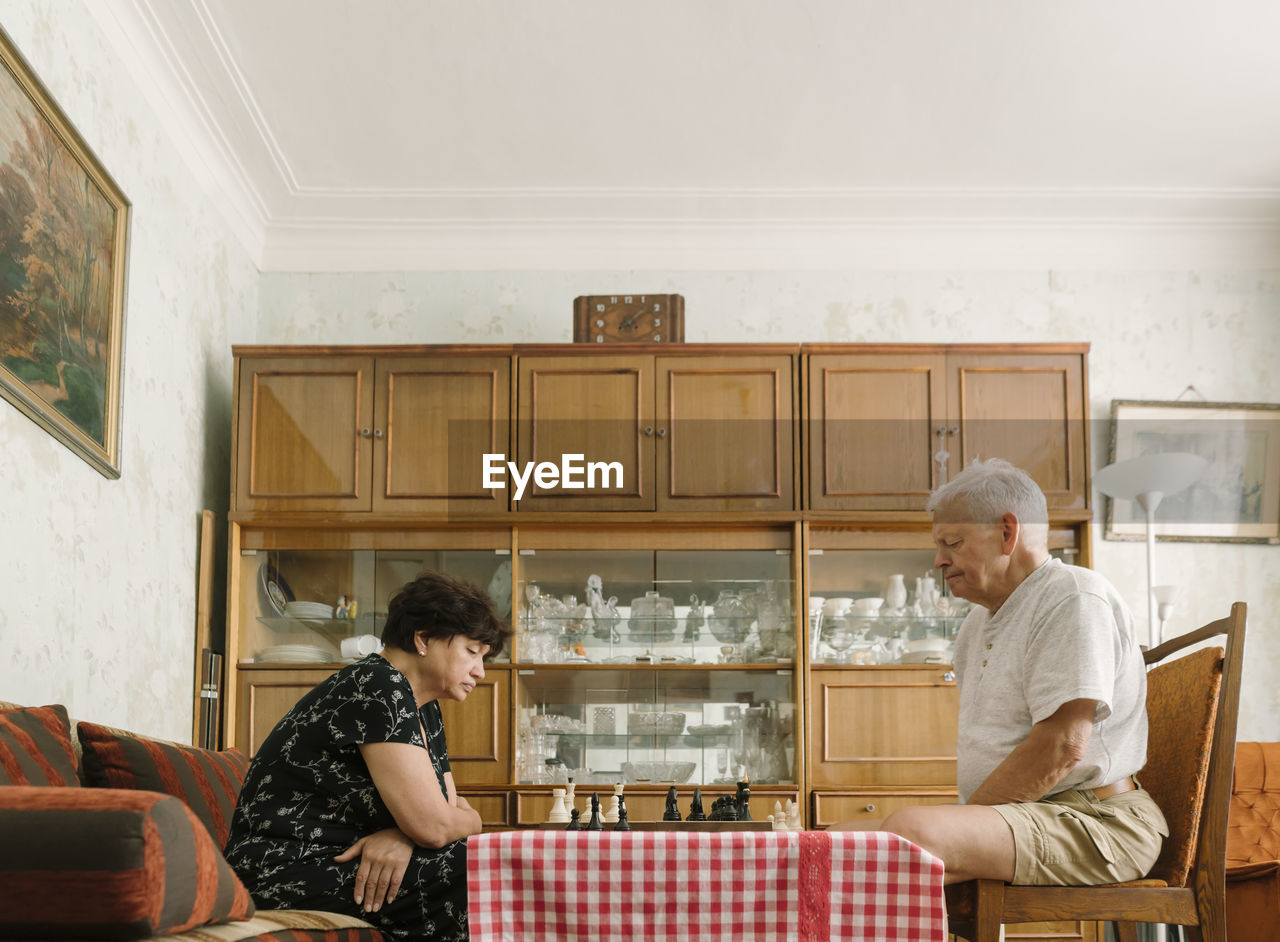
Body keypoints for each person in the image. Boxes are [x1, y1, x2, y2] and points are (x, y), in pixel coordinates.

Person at [833, 458, 1167, 887]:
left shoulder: (1073, 596)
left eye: (951, 542)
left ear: (1008, 532)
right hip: (1027, 815)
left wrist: (963, 821)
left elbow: (1061, 746)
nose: (938, 561)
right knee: (838, 840)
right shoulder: (976, 624)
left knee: (911, 835)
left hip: (1095, 823)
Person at [225, 569, 511, 940]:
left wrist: (402, 836)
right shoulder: (377, 685)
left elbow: (445, 811)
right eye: (472, 652)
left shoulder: (422, 705)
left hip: (337, 858)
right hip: (284, 868)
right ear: (423, 639)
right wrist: (437, 827)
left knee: (474, 859)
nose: (481, 671)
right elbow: (439, 825)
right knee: (474, 867)